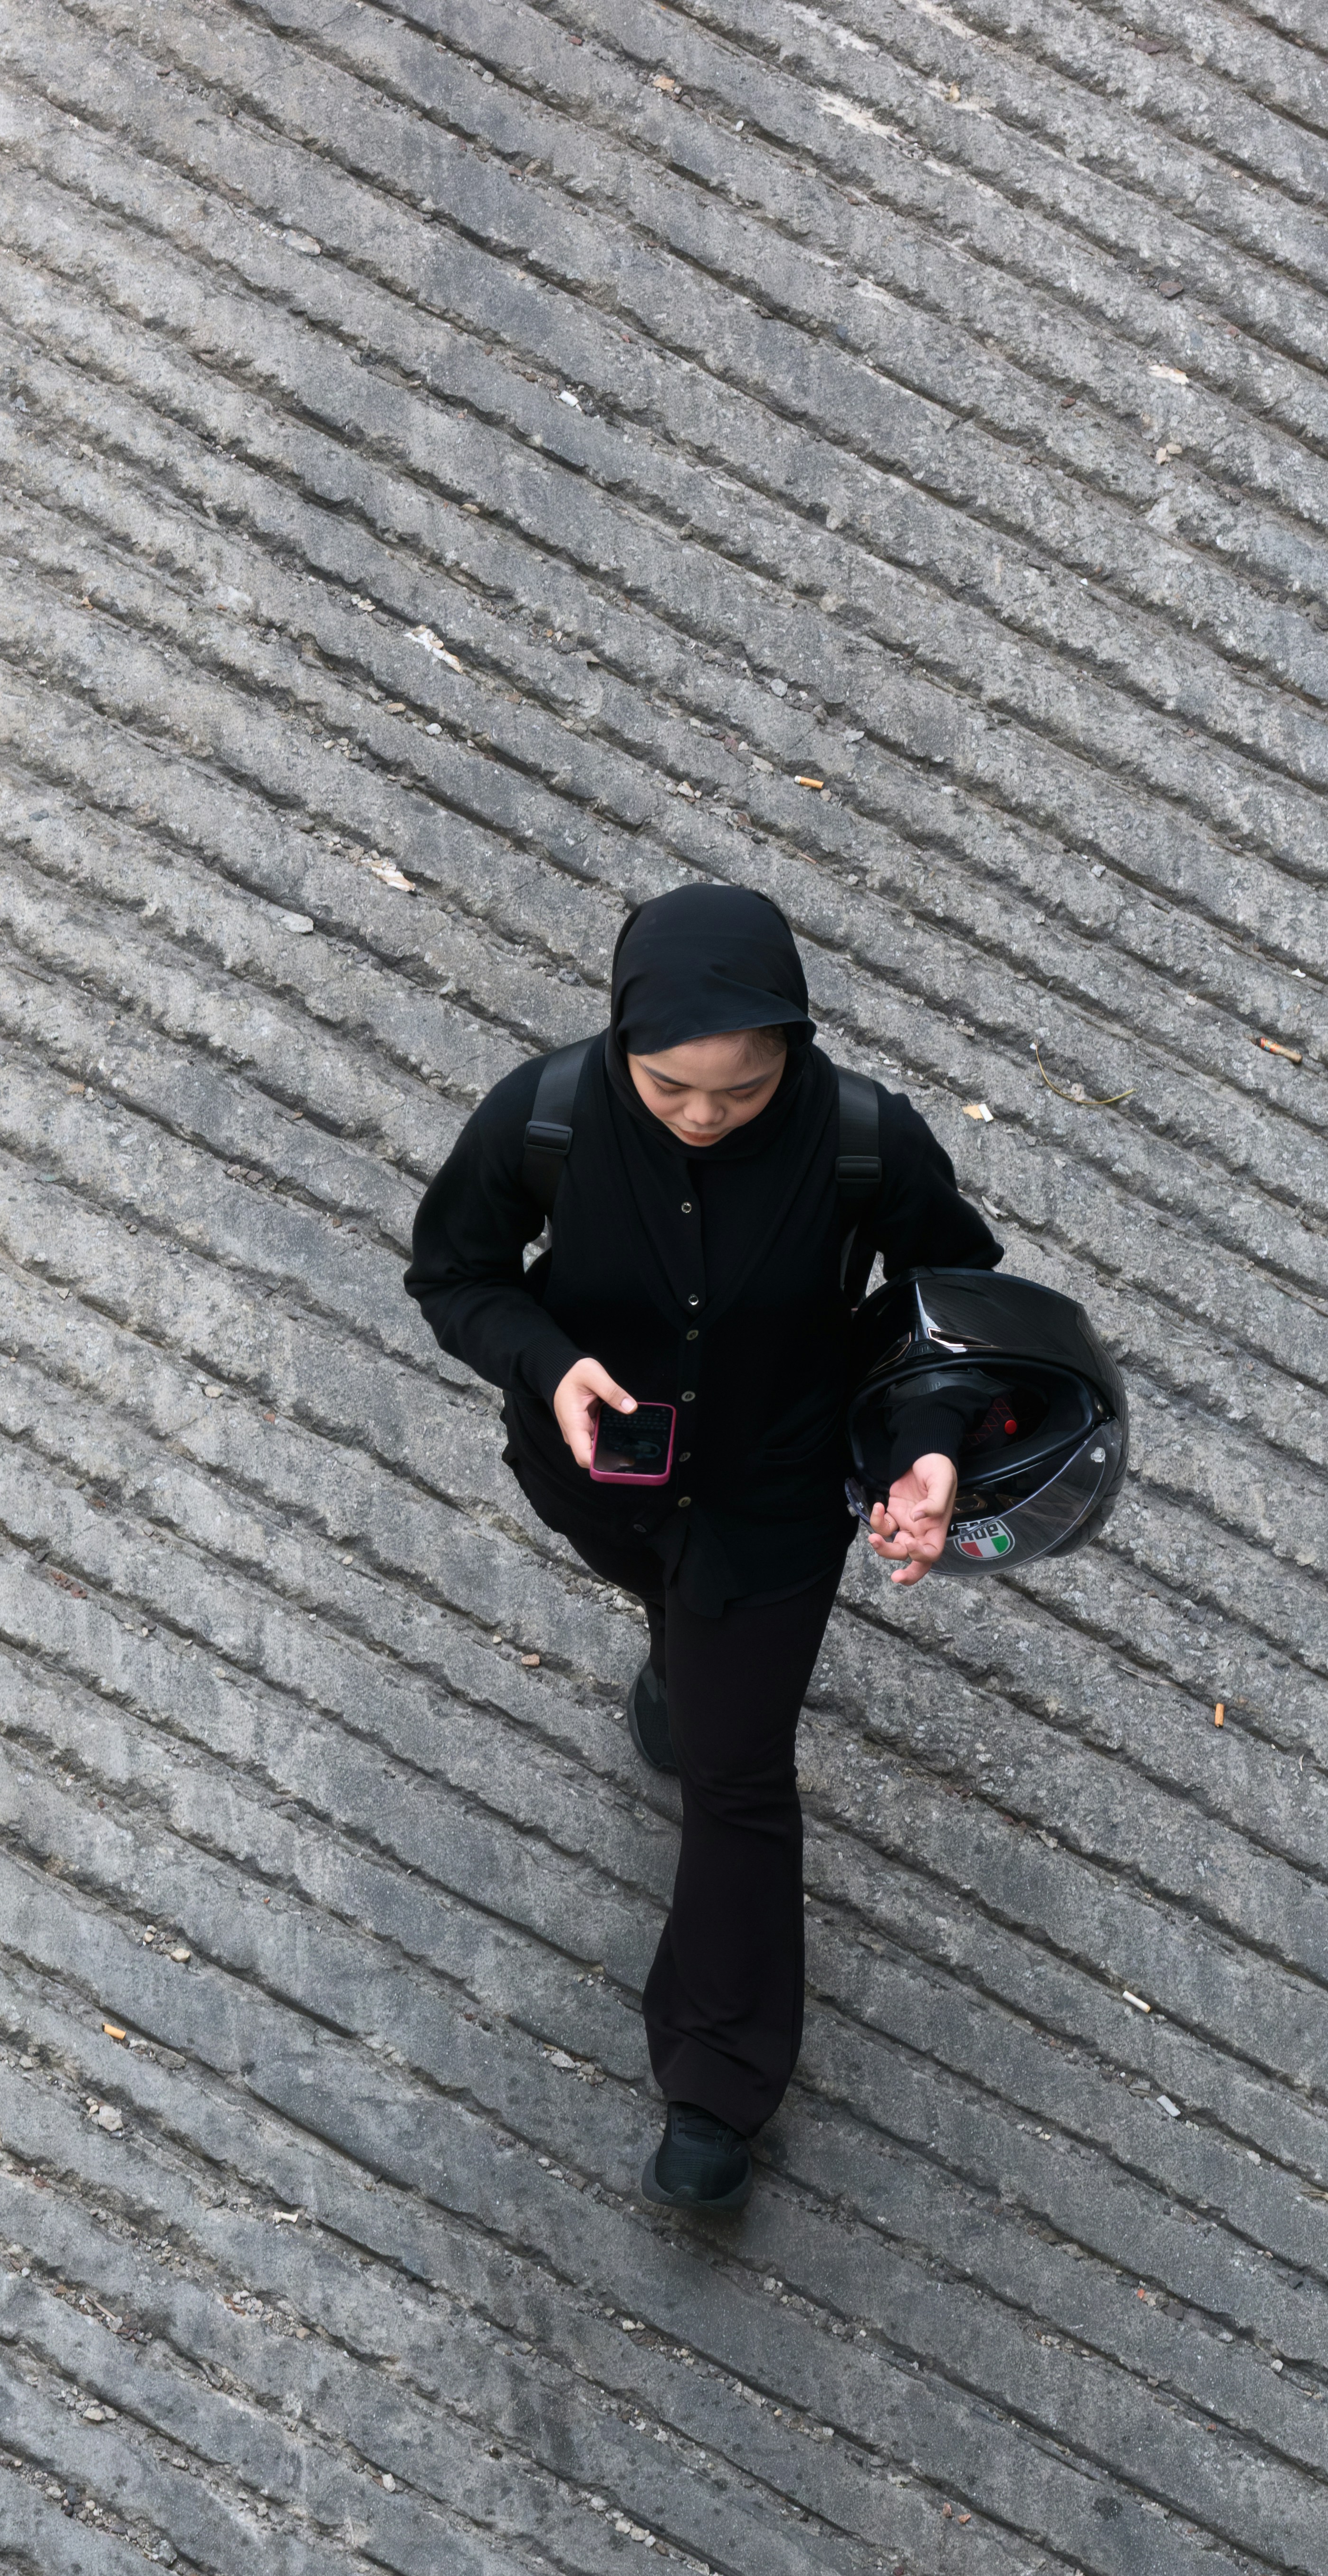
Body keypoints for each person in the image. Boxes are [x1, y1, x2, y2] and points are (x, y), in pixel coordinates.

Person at [406, 884, 1001, 2211]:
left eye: (743, 1087)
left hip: (774, 1506)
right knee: (670, 1625)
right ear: (621, 1039)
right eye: (672, 1085)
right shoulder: (543, 1117)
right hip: (599, 1486)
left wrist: (935, 1443)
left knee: (738, 1780)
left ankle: (719, 2080)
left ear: (794, 1043)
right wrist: (548, 1362)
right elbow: (456, 1275)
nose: (704, 1114)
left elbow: (950, 1302)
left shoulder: (864, 1141)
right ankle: (675, 1664)